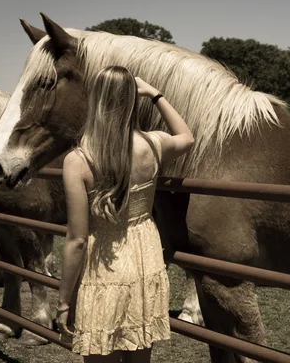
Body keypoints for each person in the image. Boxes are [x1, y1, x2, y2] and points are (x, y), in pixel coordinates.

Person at [55, 65, 194, 362]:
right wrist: (155, 95)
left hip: (104, 267)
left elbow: (77, 240)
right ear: (132, 99)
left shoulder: (78, 160)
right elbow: (186, 137)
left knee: (99, 353)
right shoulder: (153, 144)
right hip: (146, 257)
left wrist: (64, 300)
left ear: (96, 100)